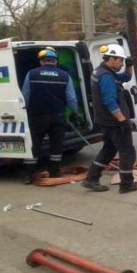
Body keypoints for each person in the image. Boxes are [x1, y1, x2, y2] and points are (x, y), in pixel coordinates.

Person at [81, 43, 137, 194]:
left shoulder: (101, 71)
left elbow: (126, 77)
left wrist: (129, 66)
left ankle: (91, 179)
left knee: (108, 150)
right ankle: (126, 184)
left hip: (104, 121)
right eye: (120, 60)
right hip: (115, 122)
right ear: (111, 59)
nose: (121, 64)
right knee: (127, 151)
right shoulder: (107, 77)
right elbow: (109, 101)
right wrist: (122, 120)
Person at [21, 48, 80, 184]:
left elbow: (25, 95)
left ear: (41, 61)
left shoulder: (32, 74)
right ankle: (54, 172)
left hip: (37, 117)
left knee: (34, 145)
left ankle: (28, 175)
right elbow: (71, 98)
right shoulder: (65, 76)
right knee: (56, 146)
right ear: (55, 61)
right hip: (58, 116)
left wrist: (24, 111)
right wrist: (75, 112)